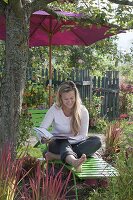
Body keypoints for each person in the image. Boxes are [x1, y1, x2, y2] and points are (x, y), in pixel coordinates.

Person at [40, 81, 101, 172]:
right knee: (63, 142)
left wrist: (69, 140)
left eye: (72, 98)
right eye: (66, 99)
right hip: (57, 143)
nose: (69, 102)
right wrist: (44, 138)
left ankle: (55, 156)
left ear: (76, 97)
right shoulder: (54, 109)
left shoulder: (83, 111)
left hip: (75, 143)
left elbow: (83, 135)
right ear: (60, 98)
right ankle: (74, 162)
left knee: (96, 141)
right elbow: (42, 129)